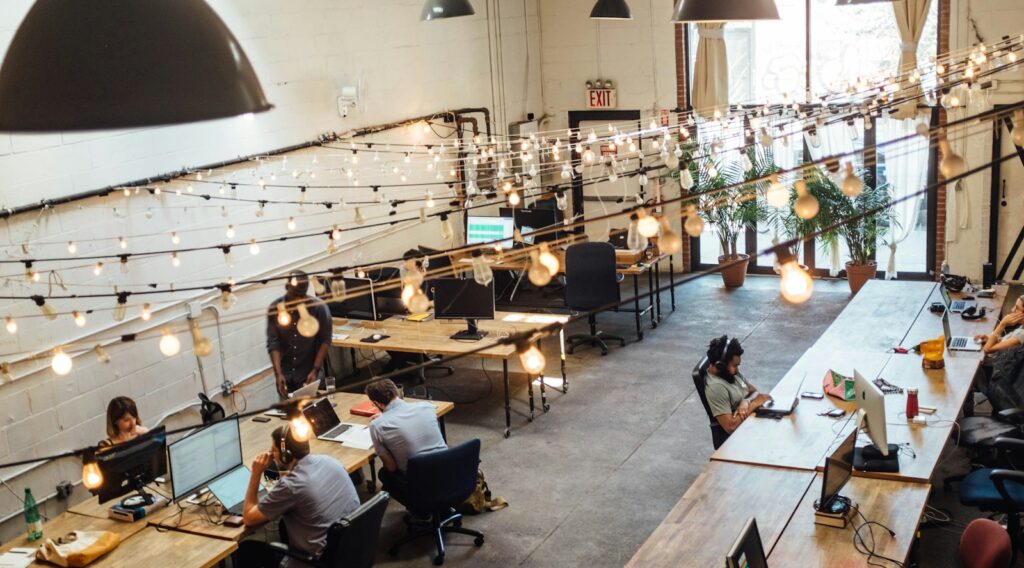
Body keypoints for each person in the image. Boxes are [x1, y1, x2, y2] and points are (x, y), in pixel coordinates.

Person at [237, 425, 360, 567]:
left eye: (274, 450)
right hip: (348, 550)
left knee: (246, 549)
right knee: (284, 524)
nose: (271, 455)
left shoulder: (291, 486)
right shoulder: (330, 461)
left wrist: (255, 474)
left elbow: (249, 518)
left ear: (286, 454)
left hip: (317, 561)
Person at [365, 379, 447, 506]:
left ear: (378, 404)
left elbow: (391, 467)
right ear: (396, 392)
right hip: (448, 470)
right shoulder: (426, 407)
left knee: (385, 474)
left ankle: (421, 509)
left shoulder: (377, 426)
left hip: (420, 480)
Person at [267, 270, 333, 398]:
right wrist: (278, 373)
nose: (298, 299)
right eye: (295, 294)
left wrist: (315, 369)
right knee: (289, 413)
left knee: (312, 411)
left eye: (302, 295)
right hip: (286, 373)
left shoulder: (318, 308)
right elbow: (273, 343)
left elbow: (325, 341)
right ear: (287, 287)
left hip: (309, 372)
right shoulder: (276, 308)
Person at [704, 336, 771, 434]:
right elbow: (730, 427)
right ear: (720, 365)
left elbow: (754, 391)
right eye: (735, 366)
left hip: (750, 422)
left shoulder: (731, 373)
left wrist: (746, 401)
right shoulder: (716, 388)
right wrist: (754, 404)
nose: (737, 370)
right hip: (740, 434)